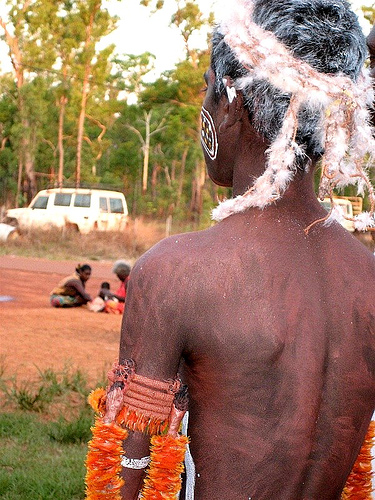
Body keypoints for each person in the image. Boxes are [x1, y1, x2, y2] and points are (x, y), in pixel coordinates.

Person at [85, 1, 375, 499]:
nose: (204, 106)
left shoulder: (178, 271)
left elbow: (128, 473)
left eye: (205, 88)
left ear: (232, 102)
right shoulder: (366, 276)